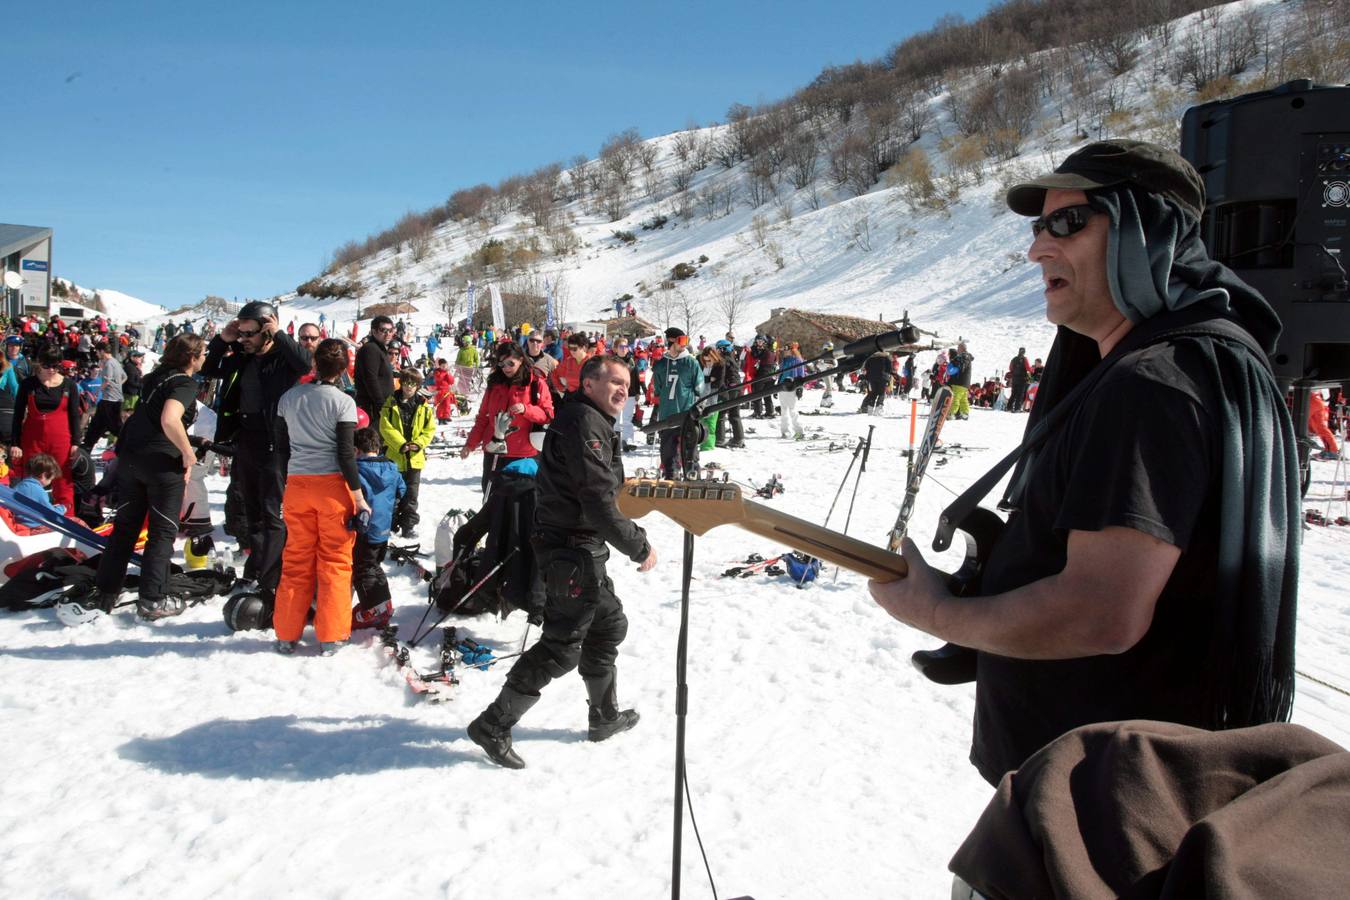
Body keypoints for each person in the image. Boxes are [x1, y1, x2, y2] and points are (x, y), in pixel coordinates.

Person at [869, 139, 1301, 787]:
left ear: (1149, 231)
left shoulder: (1155, 382)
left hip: (1099, 807)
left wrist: (934, 612)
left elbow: (1100, 613)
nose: (1038, 248)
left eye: (1068, 222)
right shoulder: (1200, 360)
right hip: (1129, 789)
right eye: (1039, 226)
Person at [467, 355, 657, 769]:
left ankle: (603, 716)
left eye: (627, 384)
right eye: (614, 382)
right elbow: (596, 495)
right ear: (588, 384)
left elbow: (604, 487)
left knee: (608, 625)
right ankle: (493, 724)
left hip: (581, 549)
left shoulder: (591, 419)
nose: (623, 390)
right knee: (561, 647)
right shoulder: (583, 422)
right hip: (571, 552)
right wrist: (637, 545)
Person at [200, 301, 312, 607]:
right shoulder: (241, 356)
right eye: (242, 333)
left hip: (276, 442)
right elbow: (208, 370)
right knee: (251, 511)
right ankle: (257, 566)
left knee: (273, 512)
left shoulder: (283, 358)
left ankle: (270, 576)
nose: (244, 338)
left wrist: (281, 335)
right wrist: (223, 340)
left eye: (250, 333)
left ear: (267, 329)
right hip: (245, 439)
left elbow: (305, 365)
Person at [92, 334, 208, 619]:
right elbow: (169, 419)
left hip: (132, 459)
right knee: (162, 532)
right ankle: (153, 599)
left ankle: (105, 592)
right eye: (203, 352)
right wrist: (187, 452)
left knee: (125, 528)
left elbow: (150, 418)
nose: (205, 356)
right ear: (192, 357)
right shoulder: (184, 382)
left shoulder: (155, 377)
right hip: (161, 464)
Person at [273, 338, 370, 655]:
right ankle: (331, 635)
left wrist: (283, 487)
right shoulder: (343, 403)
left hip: (297, 485)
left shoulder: (288, 398)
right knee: (335, 563)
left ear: (314, 363)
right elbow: (345, 453)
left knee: (296, 561)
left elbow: (281, 450)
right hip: (331, 488)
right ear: (344, 369)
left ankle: (287, 633)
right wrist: (358, 497)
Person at [460, 342, 554, 492]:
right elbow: (483, 418)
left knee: (519, 506)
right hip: (494, 452)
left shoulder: (536, 383)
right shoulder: (495, 383)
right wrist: (470, 444)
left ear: (521, 359)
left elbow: (547, 416)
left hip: (523, 455)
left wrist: (526, 409)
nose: (506, 368)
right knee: (492, 502)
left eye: (511, 363)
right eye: (502, 364)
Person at [10, 345, 81, 514]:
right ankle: (28, 517)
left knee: (63, 480)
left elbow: (74, 416)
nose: (51, 370)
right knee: (31, 479)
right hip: (32, 439)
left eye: (56, 366)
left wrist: (76, 442)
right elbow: (18, 415)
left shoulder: (69, 385)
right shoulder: (29, 384)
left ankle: (67, 519)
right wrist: (15, 443)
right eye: (47, 365)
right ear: (39, 363)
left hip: (61, 440)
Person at [351, 426, 405, 630]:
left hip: (365, 529)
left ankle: (372, 610)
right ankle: (384, 605)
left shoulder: (356, 470)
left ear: (356, 450)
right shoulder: (391, 467)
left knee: (363, 569)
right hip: (383, 530)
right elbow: (402, 489)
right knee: (374, 565)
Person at [378, 367, 436, 540]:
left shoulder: (423, 406)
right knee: (393, 493)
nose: (409, 387)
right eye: (406, 383)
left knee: (411, 494)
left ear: (418, 385)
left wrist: (418, 444)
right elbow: (385, 427)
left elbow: (429, 429)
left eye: (413, 384)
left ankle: (408, 525)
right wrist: (400, 444)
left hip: (415, 458)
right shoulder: (391, 403)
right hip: (395, 456)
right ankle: (391, 523)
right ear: (401, 383)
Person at [650, 327, 705, 478]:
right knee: (668, 453)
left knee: (690, 452)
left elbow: (700, 388)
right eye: (681, 341)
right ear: (671, 341)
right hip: (667, 416)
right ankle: (670, 477)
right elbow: (657, 389)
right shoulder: (661, 365)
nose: (684, 345)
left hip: (687, 415)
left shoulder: (691, 363)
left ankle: (693, 477)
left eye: (686, 341)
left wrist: (699, 406)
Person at [80, 342, 126, 451]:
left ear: (102, 351)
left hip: (110, 400)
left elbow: (107, 381)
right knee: (97, 424)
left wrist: (98, 391)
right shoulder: (116, 362)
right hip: (110, 399)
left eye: (97, 351)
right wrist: (117, 386)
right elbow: (125, 377)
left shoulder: (109, 363)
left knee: (115, 427)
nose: (96, 354)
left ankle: (130, 446)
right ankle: (87, 446)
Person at [354, 316, 396, 423]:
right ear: (373, 331)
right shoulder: (370, 349)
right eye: (383, 330)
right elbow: (370, 379)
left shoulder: (379, 349)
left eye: (390, 330)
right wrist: (381, 406)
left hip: (380, 406)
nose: (388, 334)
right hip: (372, 407)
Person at [12, 452, 66, 527]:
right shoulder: (38, 491)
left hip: (19, 524)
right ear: (43, 475)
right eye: (51, 479)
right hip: (32, 526)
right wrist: (62, 508)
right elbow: (52, 514)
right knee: (78, 522)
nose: (50, 482)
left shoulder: (20, 485)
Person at [549, 332, 591, 400]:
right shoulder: (569, 361)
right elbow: (554, 373)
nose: (571, 351)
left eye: (574, 349)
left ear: (583, 347)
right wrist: (561, 387)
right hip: (570, 397)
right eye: (570, 348)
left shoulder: (591, 362)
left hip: (586, 399)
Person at [777, 341, 805, 440]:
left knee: (793, 410)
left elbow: (801, 375)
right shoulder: (784, 360)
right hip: (782, 387)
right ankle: (785, 432)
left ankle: (799, 431)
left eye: (786, 349)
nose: (784, 351)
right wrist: (777, 385)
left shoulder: (797, 360)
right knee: (783, 411)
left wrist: (800, 388)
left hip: (792, 388)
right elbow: (781, 374)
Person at [948, 341, 974, 419]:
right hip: (964, 382)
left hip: (959, 382)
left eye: (958, 348)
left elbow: (961, 366)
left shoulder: (964, 356)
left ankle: (951, 413)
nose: (957, 350)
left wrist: (953, 361)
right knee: (963, 399)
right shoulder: (967, 357)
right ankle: (965, 413)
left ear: (962, 348)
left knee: (955, 398)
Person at [1007, 347, 1032, 412]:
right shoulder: (1024, 359)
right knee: (1020, 394)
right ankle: (1017, 408)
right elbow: (1028, 368)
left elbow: (1010, 368)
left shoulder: (1014, 359)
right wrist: (1033, 370)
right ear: (1024, 352)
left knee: (1013, 394)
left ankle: (1009, 407)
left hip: (1015, 378)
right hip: (1022, 379)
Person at [431, 358, 456, 424]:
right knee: (440, 405)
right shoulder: (437, 372)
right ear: (440, 366)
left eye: (445, 365)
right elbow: (439, 378)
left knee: (447, 404)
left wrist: (448, 374)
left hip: (447, 391)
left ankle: (446, 416)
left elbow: (451, 381)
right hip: (439, 391)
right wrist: (445, 373)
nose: (444, 367)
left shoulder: (447, 372)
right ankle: (440, 418)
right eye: (443, 366)